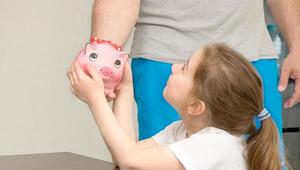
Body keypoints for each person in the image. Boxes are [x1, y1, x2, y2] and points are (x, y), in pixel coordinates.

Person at [67, 43, 293, 170]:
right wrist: (125, 90)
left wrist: (96, 99)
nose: (174, 67)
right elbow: (125, 156)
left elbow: (131, 161)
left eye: (184, 68)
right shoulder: (182, 130)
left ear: (196, 106)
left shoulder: (216, 147)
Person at [88, 0, 300, 141]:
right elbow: (132, 161)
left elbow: (128, 158)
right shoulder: (176, 74)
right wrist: (102, 60)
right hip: (167, 59)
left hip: (249, 57)